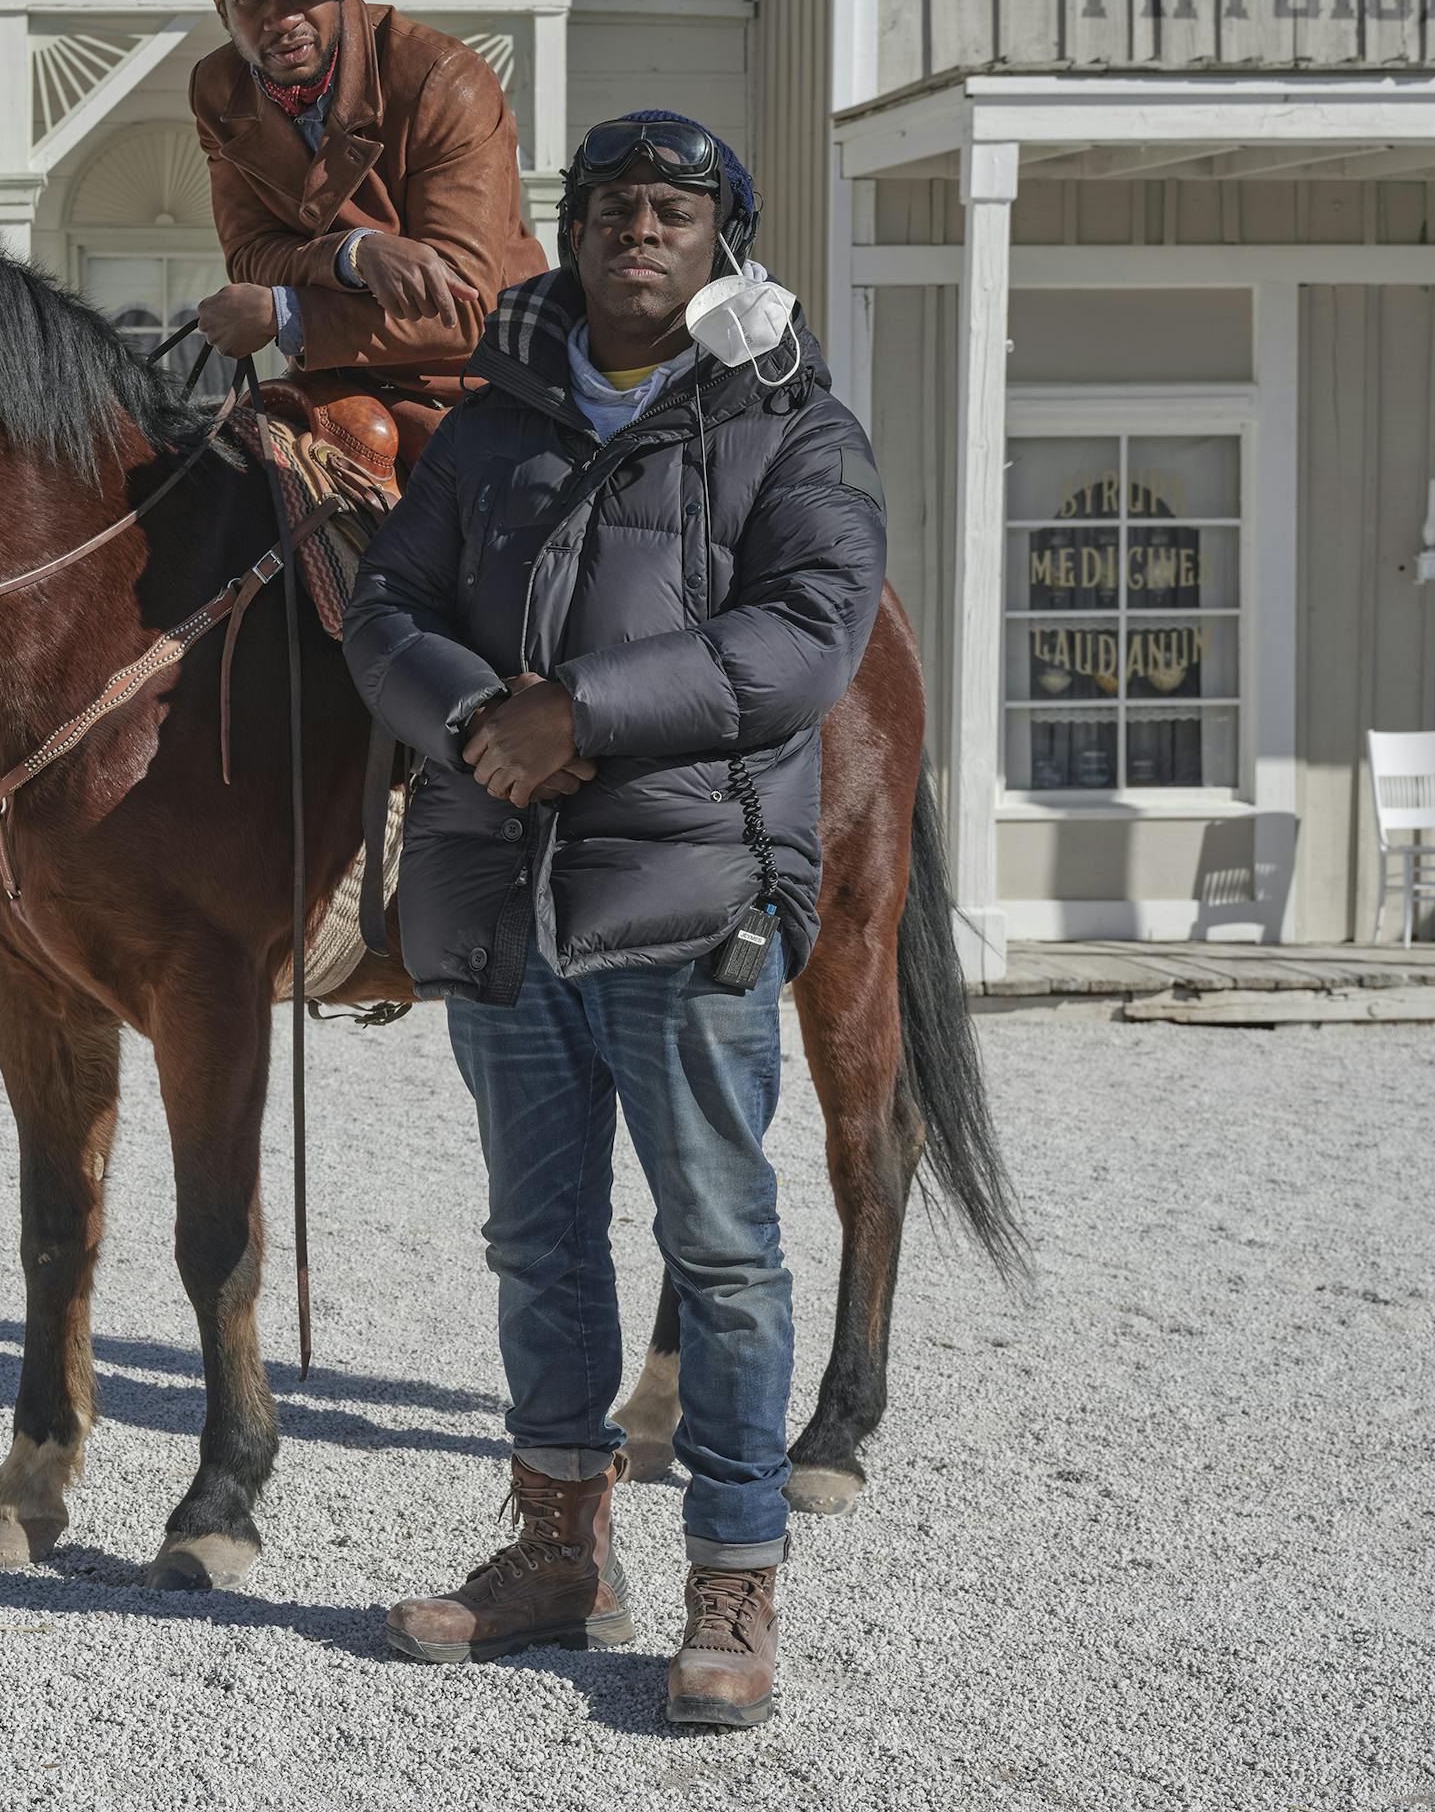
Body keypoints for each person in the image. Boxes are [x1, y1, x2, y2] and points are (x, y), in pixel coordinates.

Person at [339, 112, 887, 1728]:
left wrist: (579, 713)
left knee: (719, 1254)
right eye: (606, 208)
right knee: (536, 1243)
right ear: (570, 234)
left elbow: (802, 640)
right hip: (509, 902)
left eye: (671, 209)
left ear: (723, 240)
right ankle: (558, 1551)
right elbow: (387, 610)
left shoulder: (793, 429)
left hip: (686, 894)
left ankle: (731, 1571)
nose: (634, 230)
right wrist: (467, 726)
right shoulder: (489, 429)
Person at [133, 0, 545, 464]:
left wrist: (284, 311)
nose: (282, 21)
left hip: (477, 386)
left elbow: (463, 308)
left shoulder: (443, 80)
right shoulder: (215, 88)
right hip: (334, 380)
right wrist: (356, 254)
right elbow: (251, 254)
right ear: (221, 10)